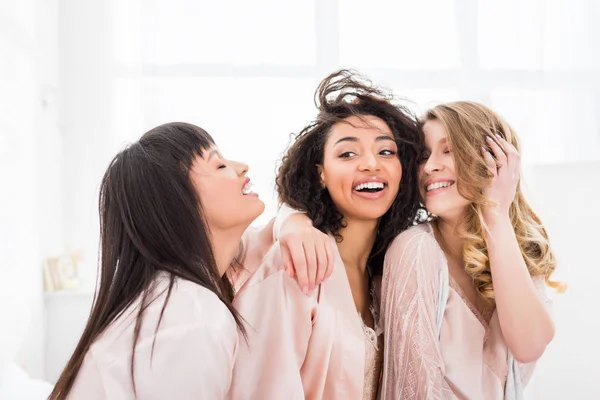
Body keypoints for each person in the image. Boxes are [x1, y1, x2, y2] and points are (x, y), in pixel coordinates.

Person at [48, 122, 330, 400]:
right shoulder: (193, 317)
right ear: (177, 203)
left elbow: (264, 237)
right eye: (218, 165)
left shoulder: (175, 288)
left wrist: (294, 224)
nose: (242, 166)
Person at [229, 70, 424, 399]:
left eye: (386, 152)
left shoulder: (388, 274)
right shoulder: (294, 263)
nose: (370, 164)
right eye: (347, 154)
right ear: (320, 174)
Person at [380, 101, 564, 399]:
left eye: (448, 150)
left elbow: (528, 345)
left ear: (495, 160)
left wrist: (495, 214)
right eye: (423, 156)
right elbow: (415, 388)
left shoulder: (515, 250)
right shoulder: (415, 248)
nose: (429, 167)